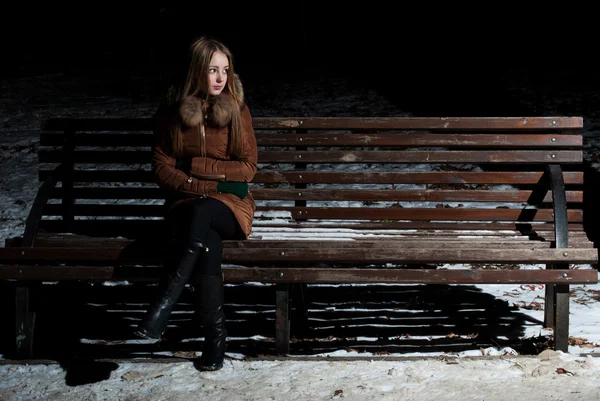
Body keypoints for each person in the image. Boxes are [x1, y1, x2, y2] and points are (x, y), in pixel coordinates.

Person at [134, 36, 258, 372]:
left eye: (225, 70)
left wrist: (199, 172)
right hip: (184, 205)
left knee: (204, 212)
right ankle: (215, 342)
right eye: (212, 70)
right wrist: (192, 186)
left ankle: (164, 302)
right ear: (196, 71)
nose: (220, 78)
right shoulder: (173, 112)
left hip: (230, 205)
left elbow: (247, 168)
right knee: (206, 242)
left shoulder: (237, 111)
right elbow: (161, 168)